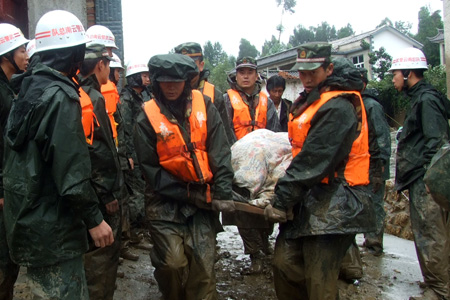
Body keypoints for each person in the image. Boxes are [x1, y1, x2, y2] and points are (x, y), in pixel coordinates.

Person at [3, 10, 113, 299]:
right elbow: (71, 173)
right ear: (74, 53)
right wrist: (94, 219)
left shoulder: (26, 89)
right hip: (53, 229)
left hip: (28, 220)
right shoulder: (60, 96)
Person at [265, 42, 375, 300]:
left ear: (329, 69)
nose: (306, 78)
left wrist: (281, 200)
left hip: (338, 200)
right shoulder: (308, 102)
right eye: (302, 73)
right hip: (309, 194)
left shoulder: (338, 106)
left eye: (313, 72)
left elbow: (314, 159)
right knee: (285, 264)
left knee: (319, 278)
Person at [133, 53, 234, 300]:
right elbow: (151, 171)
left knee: (202, 267)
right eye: (165, 81)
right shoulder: (146, 117)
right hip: (164, 200)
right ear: (156, 81)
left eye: (177, 81)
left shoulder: (205, 106)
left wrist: (221, 191)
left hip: (202, 196)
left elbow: (220, 150)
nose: (171, 87)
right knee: (172, 265)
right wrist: (188, 194)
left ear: (187, 81)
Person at [391, 47, 450, 300]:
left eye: (395, 73)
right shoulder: (421, 98)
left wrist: (430, 180)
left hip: (425, 181)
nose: (392, 78)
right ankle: (437, 283)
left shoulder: (426, 100)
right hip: (420, 178)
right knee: (428, 233)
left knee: (431, 234)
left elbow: (437, 143)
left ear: (408, 73)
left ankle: (440, 290)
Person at [222, 56, 281, 274]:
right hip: (238, 164)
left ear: (256, 75)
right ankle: (255, 254)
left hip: (265, 165)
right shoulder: (226, 99)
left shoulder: (267, 102)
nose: (245, 75)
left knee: (266, 206)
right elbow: (224, 132)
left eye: (250, 71)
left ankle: (264, 244)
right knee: (242, 210)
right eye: (241, 72)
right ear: (236, 75)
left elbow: (275, 132)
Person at [76, 44, 125, 300]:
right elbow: (100, 151)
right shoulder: (93, 98)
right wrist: (108, 194)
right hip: (98, 193)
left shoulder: (75, 93)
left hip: (82, 190)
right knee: (102, 259)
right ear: (100, 65)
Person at [0, 22, 28, 300]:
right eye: (21, 50)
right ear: (5, 54)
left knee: (9, 256)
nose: (26, 55)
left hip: (8, 183)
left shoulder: (9, 87)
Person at [117, 58, 152, 261]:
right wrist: (128, 155)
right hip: (134, 154)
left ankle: (138, 232)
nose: (148, 78)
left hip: (143, 151)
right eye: (144, 75)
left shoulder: (144, 97)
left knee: (144, 191)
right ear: (134, 77)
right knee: (135, 195)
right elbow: (126, 130)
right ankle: (133, 235)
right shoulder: (127, 100)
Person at [174, 42, 234, 143]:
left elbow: (224, 136)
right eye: (181, 64)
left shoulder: (215, 95)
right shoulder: (167, 93)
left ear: (201, 65)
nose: (186, 69)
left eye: (191, 63)